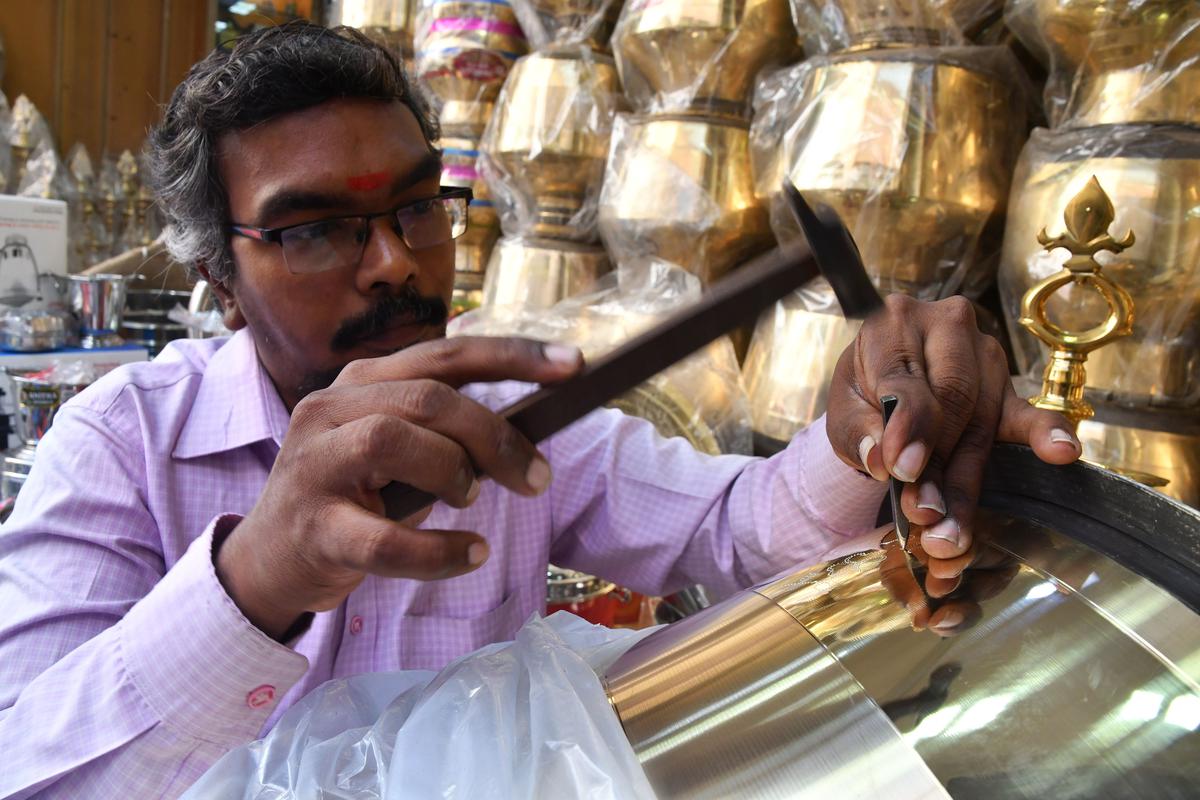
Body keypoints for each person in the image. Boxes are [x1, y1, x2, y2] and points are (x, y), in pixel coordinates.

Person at [0, 23, 1080, 799]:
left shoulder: (513, 416)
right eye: (315, 228)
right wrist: (258, 579)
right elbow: (26, 766)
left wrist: (858, 437)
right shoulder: (124, 443)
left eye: (418, 206)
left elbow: (733, 533)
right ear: (219, 278)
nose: (393, 262)